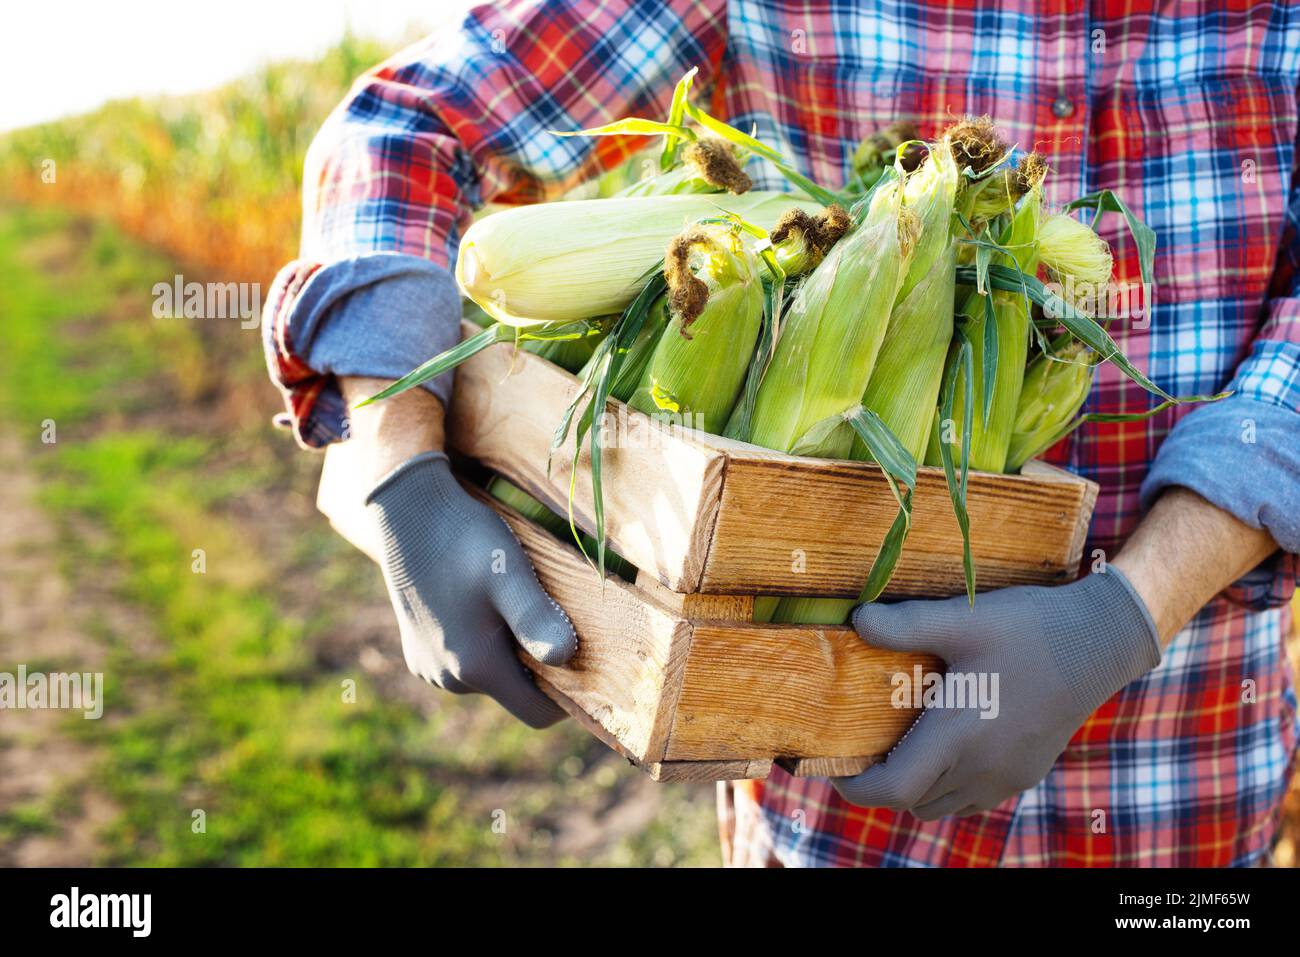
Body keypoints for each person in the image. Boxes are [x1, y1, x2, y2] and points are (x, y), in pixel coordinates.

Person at [262, 0, 1300, 867]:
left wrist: (1126, 613)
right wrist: (397, 460)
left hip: (1190, 782)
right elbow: (405, 131)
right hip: (829, 806)